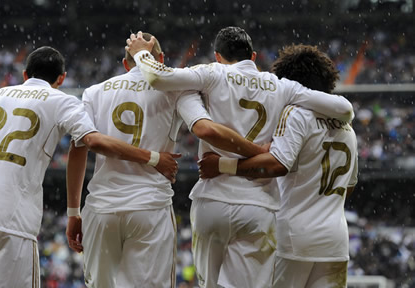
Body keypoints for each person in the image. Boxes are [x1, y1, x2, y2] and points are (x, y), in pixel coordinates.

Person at [126, 27, 354, 288]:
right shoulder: (280, 86)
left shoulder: (212, 72)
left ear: (218, 55)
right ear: (253, 56)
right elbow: (344, 109)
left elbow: (157, 78)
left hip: (212, 199)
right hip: (259, 205)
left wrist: (143, 54)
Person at [0, 46, 179, 288]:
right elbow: (92, 141)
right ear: (62, 78)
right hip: (12, 221)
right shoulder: (62, 101)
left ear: (25, 75)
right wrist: (153, 157)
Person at [66, 32, 267, 288]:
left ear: (126, 64)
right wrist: (257, 150)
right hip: (150, 206)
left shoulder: (94, 93)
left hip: (101, 207)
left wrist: (73, 212)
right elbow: (204, 128)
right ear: (160, 59)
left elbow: (78, 148)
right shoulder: (175, 89)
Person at [199, 44, 358, 288]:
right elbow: (349, 186)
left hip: (293, 238)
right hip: (335, 240)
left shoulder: (296, 113)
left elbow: (276, 165)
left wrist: (222, 165)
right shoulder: (348, 129)